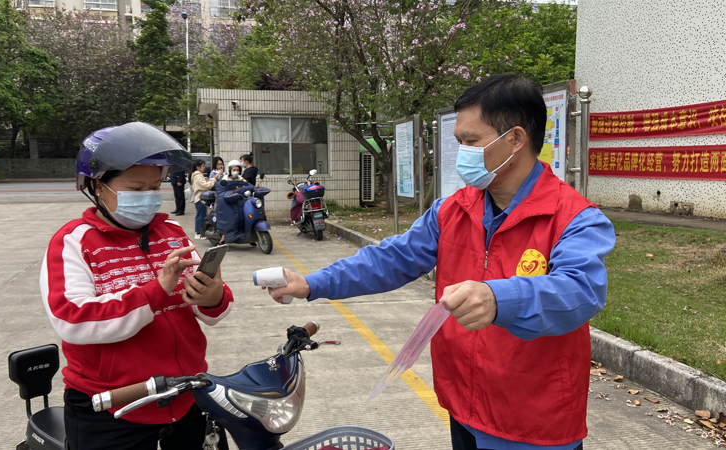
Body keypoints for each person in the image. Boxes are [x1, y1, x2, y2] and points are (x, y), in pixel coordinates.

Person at [264, 74, 616, 450]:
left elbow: (581, 290)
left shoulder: (574, 217)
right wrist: (312, 282)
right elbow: (392, 258)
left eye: (471, 141)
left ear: (515, 139)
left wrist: (499, 298)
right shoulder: (453, 209)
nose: (462, 152)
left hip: (531, 422)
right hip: (462, 403)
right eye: (458, 141)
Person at [41, 122, 233, 450]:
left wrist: (213, 297)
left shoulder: (172, 232)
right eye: (135, 188)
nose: (148, 197)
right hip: (112, 407)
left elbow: (211, 307)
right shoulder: (74, 242)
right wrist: (155, 291)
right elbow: (72, 319)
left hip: (186, 395)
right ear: (98, 186)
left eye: (154, 187)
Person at [190, 159, 216, 240]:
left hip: (199, 198)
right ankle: (198, 232)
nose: (204, 167)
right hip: (200, 198)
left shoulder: (196, 175)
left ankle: (200, 233)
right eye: (203, 166)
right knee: (200, 216)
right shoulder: (198, 177)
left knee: (202, 215)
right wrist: (213, 179)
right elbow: (206, 186)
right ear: (198, 167)